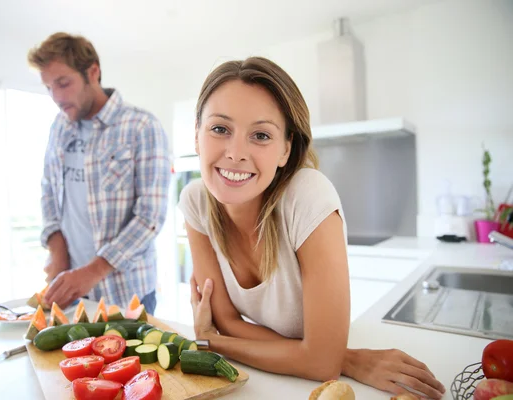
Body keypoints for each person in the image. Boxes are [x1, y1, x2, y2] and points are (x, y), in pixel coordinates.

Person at [179, 57, 446, 399]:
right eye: (220, 129)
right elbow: (229, 322)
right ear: (197, 136)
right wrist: (340, 357)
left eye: (260, 135)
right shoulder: (196, 203)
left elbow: (319, 362)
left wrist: (211, 341)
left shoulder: (307, 194)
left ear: (285, 150)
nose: (235, 153)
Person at [27, 33, 171, 314]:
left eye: (63, 83)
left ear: (93, 72)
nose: (56, 97)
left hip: (129, 294)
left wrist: (93, 271)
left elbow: (150, 217)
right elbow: (48, 191)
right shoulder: (59, 126)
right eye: (48, 88)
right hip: (72, 292)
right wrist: (57, 248)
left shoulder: (141, 126)